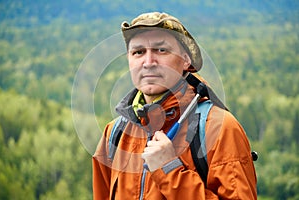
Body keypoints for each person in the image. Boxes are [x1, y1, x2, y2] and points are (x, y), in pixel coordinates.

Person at [92, 12, 257, 200]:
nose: (148, 63)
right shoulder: (114, 133)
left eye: (161, 50)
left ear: (186, 60)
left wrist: (170, 169)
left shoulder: (219, 129)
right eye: (138, 52)